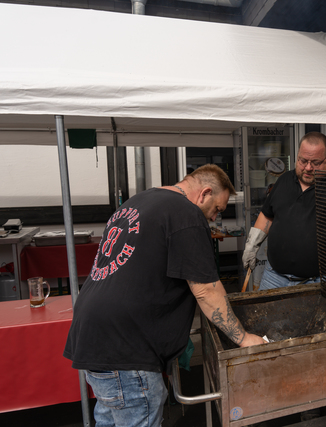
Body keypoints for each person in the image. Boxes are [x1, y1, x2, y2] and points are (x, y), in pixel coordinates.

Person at [64, 164, 265, 427]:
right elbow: (205, 290)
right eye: (217, 209)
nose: (215, 218)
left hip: (93, 337)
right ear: (204, 193)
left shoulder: (139, 201)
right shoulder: (186, 213)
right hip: (127, 346)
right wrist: (243, 338)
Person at [242, 131, 326, 290]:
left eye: (315, 162)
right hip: (274, 277)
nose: (308, 168)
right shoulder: (284, 180)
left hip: (322, 280)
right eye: (303, 160)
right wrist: (252, 245)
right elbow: (267, 215)